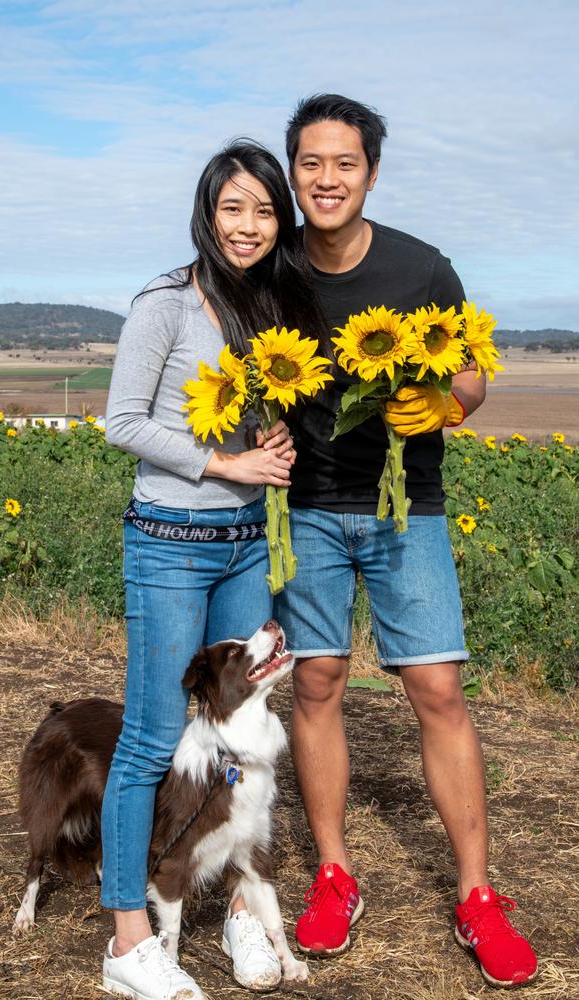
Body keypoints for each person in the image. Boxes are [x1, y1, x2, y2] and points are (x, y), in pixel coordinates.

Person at [275, 94, 538, 990]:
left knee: (435, 685)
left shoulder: (423, 268)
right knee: (316, 679)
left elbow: (469, 369)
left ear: (371, 173)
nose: (327, 179)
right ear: (293, 171)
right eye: (311, 163)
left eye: (344, 163)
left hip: (406, 507)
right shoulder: (272, 266)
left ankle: (477, 895)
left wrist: (449, 404)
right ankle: (335, 875)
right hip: (304, 506)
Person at [100, 140, 327, 1000]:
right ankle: (129, 941)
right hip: (168, 542)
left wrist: (268, 447)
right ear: (207, 212)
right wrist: (224, 466)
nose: (248, 225)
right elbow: (123, 421)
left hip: (241, 545)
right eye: (233, 208)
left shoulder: (268, 307)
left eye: (266, 211)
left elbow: (252, 418)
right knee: (154, 739)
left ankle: (237, 910)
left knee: (239, 742)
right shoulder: (164, 302)